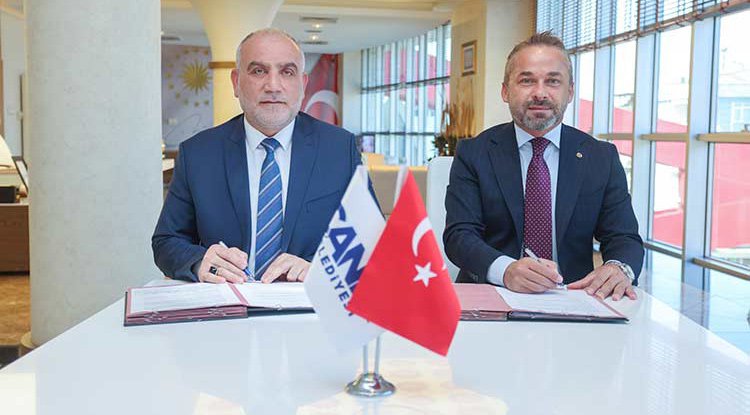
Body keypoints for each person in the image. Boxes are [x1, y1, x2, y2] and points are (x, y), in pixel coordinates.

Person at [443, 31, 643, 301]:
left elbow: (624, 237)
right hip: (493, 293)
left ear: (570, 92)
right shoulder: (474, 153)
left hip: (574, 297)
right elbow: (459, 235)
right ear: (505, 91)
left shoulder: (600, 157)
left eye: (553, 81)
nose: (540, 93)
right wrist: (505, 270)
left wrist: (619, 268)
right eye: (527, 80)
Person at [152, 28, 363, 284]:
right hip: (226, 301)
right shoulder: (198, 154)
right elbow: (166, 241)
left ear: (303, 84)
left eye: (287, 72)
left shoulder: (340, 150)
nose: (273, 86)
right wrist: (199, 262)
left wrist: (320, 266)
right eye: (258, 71)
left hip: (307, 301)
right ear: (236, 82)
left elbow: (369, 238)